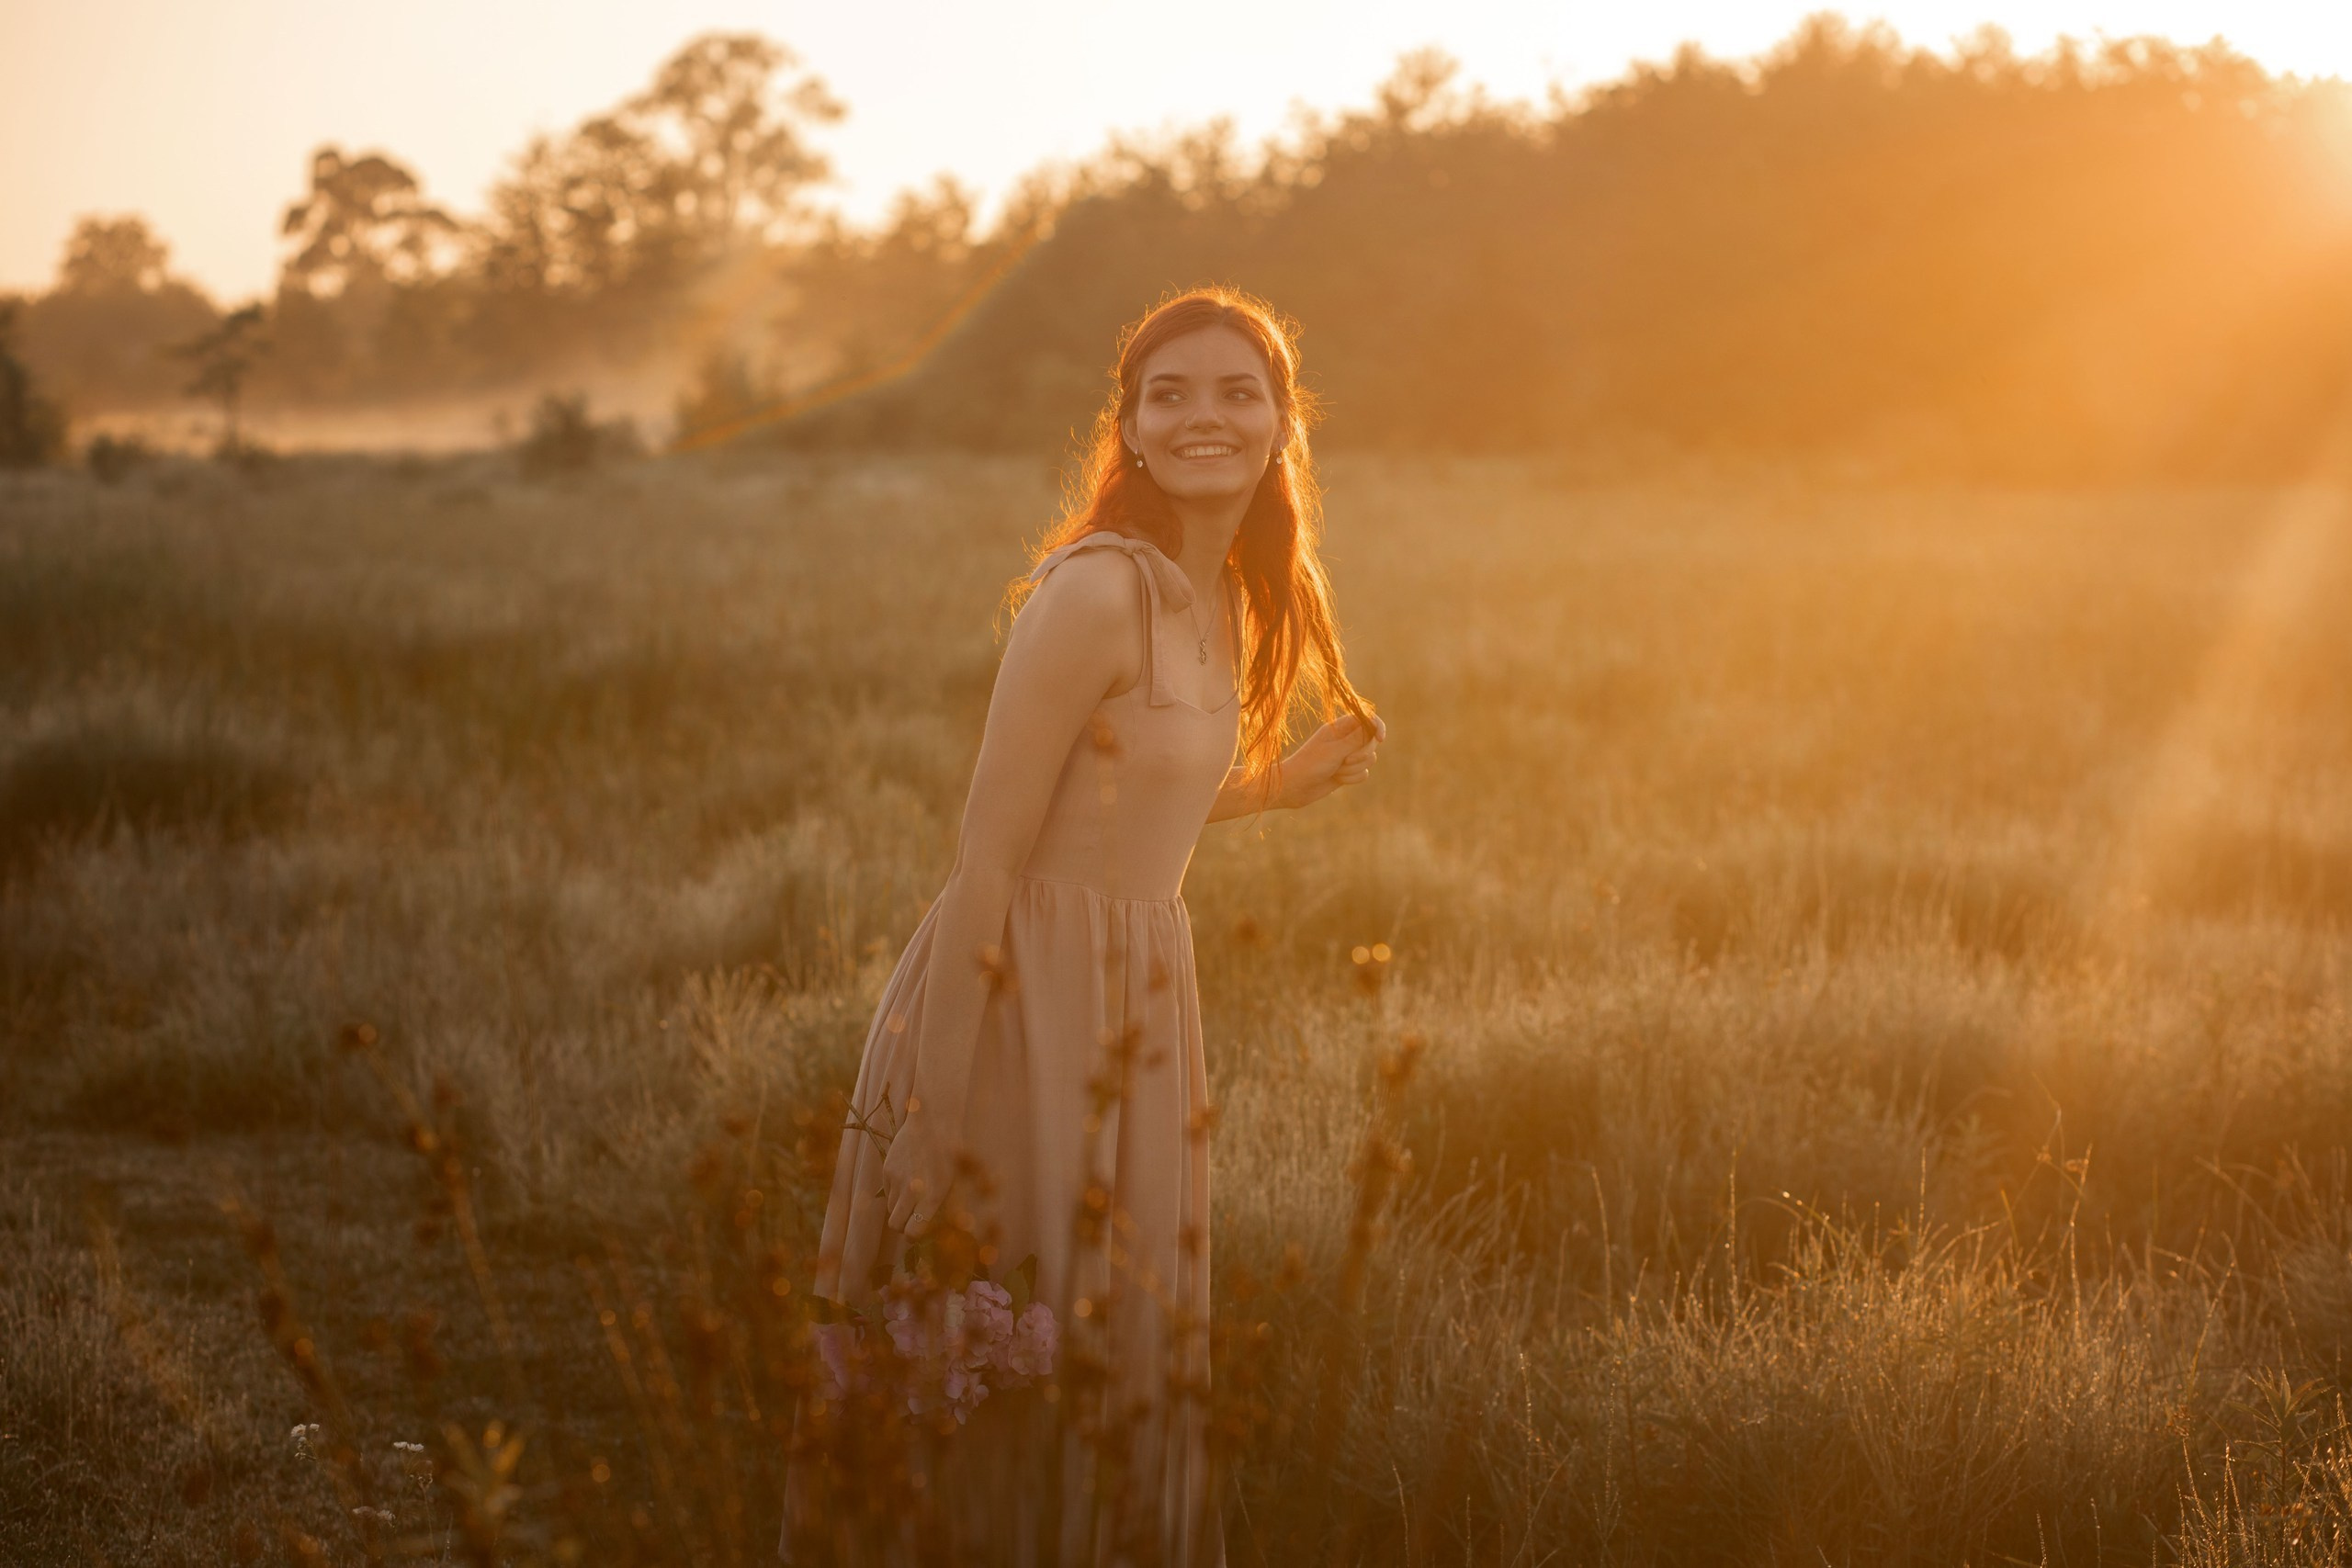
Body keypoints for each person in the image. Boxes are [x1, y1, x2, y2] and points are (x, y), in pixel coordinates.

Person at [796, 288, 1385, 1564]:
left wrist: (1278, 786)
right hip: (1013, 999)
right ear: (1128, 424)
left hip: (1138, 1005)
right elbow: (991, 857)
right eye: (1167, 392)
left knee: (1115, 1339)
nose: (1204, 415)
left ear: (1284, 424)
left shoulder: (1221, 597)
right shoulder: (1095, 595)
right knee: (996, 1334)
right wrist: (935, 1113)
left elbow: (1119, 812)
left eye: (1238, 390)